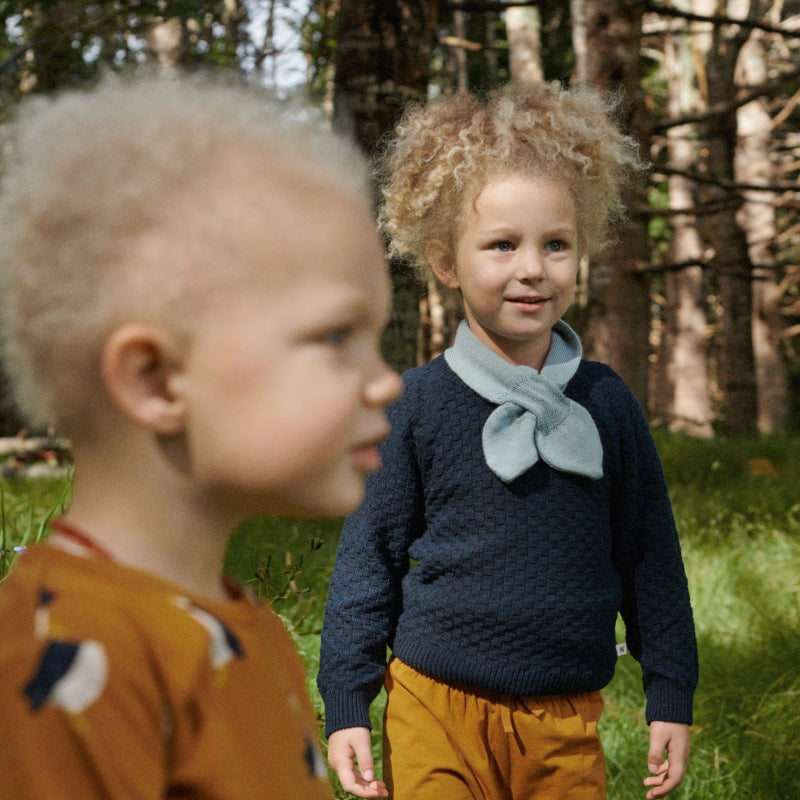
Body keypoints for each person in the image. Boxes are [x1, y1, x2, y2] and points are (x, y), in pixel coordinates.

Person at [0, 73, 402, 800]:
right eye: (335, 336)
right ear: (156, 381)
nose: (387, 383)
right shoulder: (64, 660)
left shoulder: (251, 629)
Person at [317, 82, 698, 800]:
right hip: (434, 705)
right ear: (446, 261)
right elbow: (368, 559)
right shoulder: (415, 406)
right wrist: (347, 702)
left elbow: (651, 556)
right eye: (502, 244)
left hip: (563, 717)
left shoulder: (606, 402)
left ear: (582, 249)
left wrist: (671, 692)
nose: (532, 268)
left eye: (556, 245)